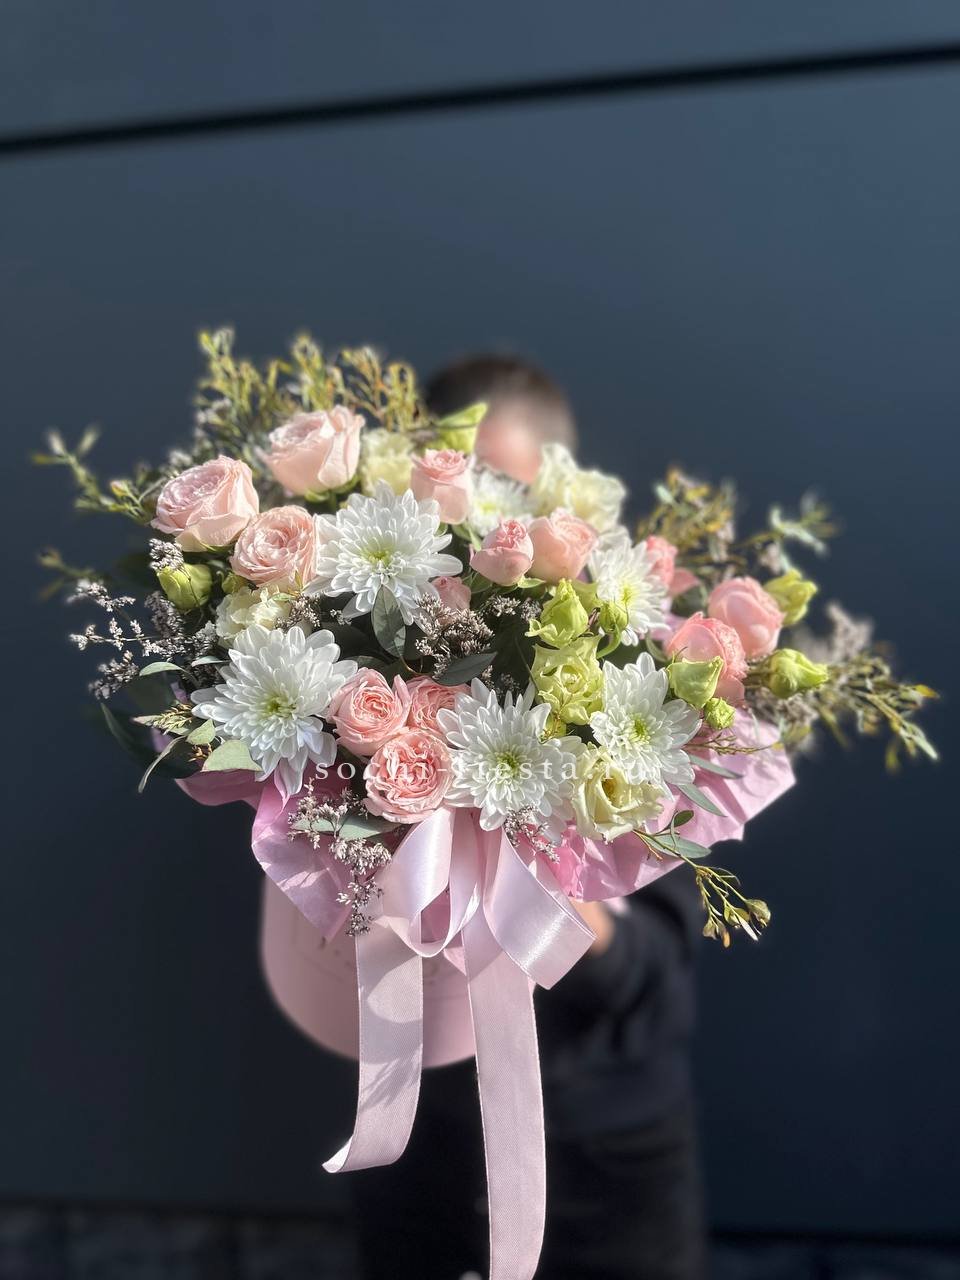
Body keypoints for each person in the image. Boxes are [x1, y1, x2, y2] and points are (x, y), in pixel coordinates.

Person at [350, 354, 706, 1280]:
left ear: (567, 494)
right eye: (464, 491)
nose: (489, 526)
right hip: (418, 1145)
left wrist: (528, 891)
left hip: (604, 1159)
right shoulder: (367, 662)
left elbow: (656, 966)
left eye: (512, 494)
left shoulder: (649, 671)